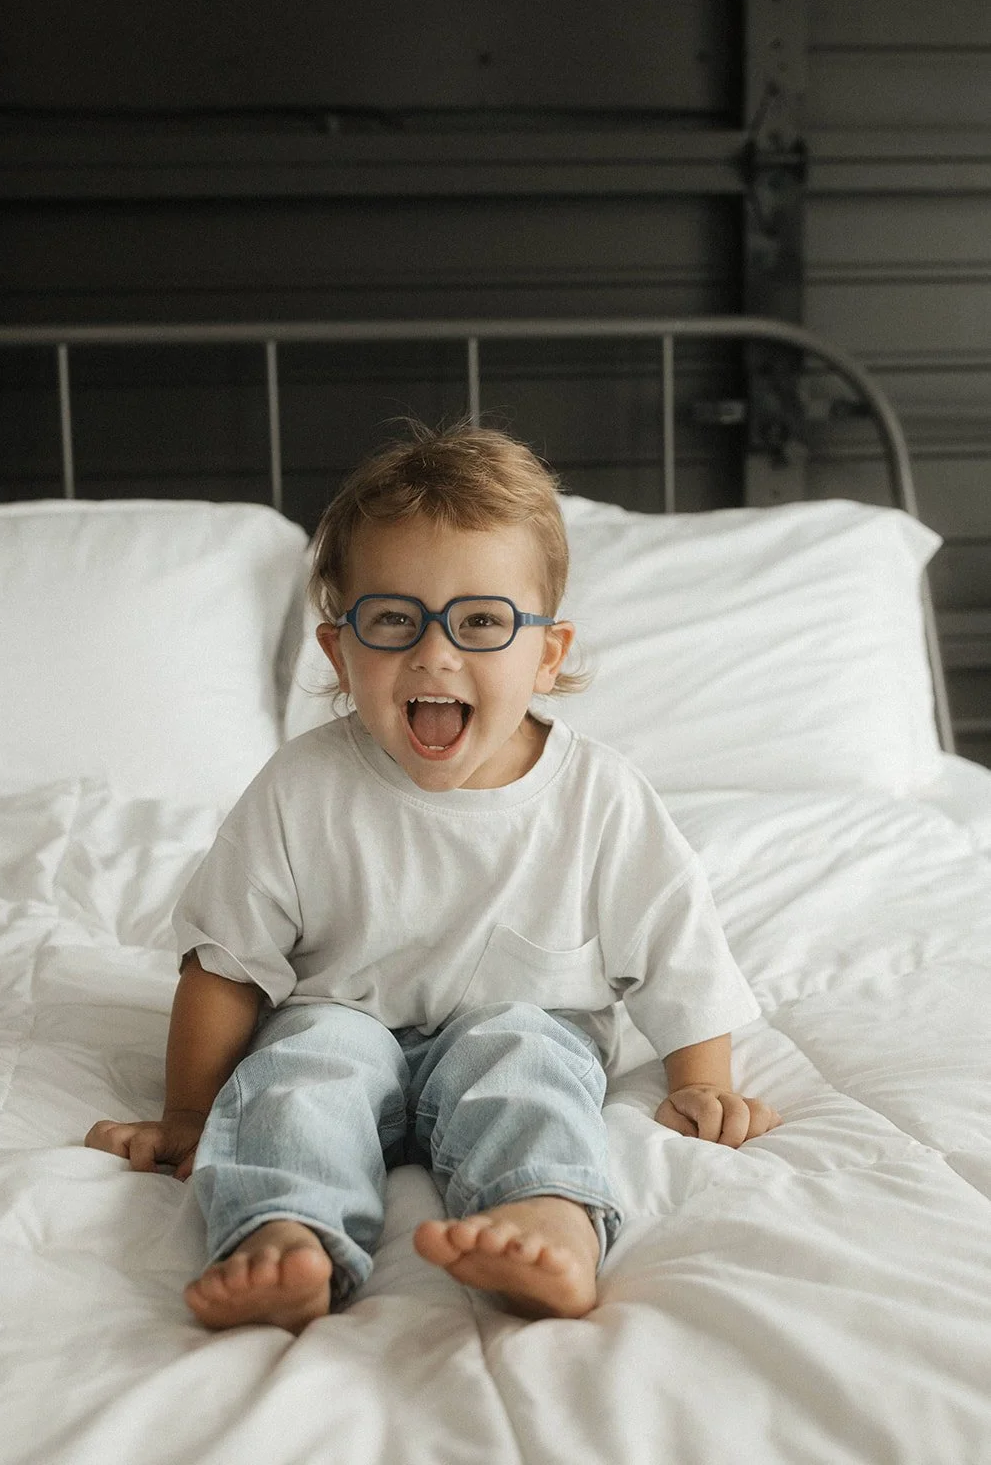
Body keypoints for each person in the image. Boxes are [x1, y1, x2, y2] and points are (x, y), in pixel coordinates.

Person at [85, 422, 781, 1334]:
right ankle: (284, 1233)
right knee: (300, 1074)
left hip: (522, 1023)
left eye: (482, 621)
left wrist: (701, 1078)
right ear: (338, 654)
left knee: (527, 1065)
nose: (434, 653)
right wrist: (185, 1111)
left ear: (547, 652)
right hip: (343, 1020)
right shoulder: (302, 786)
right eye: (392, 620)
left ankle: (545, 1221)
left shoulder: (596, 797)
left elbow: (675, 947)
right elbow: (226, 962)